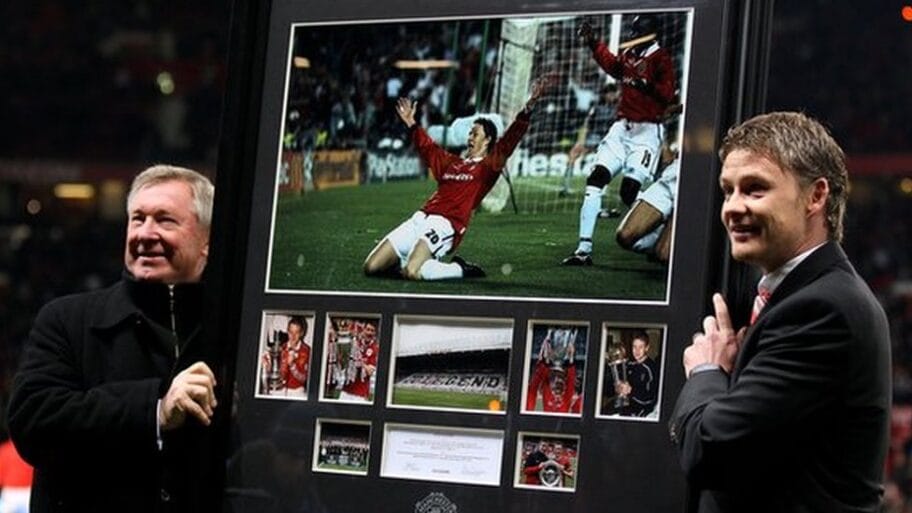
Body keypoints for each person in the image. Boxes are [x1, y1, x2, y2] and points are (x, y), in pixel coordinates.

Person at [669, 112, 890, 512]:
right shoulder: (794, 297)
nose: (733, 207)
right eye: (728, 190)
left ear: (816, 196)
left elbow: (712, 451)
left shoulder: (823, 309)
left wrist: (705, 373)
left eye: (754, 189)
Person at [8, 165, 219, 513]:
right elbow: (33, 422)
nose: (145, 234)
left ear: (207, 243)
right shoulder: (66, 319)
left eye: (165, 220)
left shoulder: (229, 328)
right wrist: (155, 411)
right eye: (137, 219)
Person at [363, 74, 552, 280]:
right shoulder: (452, 163)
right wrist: (412, 124)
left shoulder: (488, 167)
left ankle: (460, 269)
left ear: (488, 140)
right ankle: (412, 261)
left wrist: (529, 106)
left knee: (412, 271)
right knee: (371, 267)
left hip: (445, 224)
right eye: (470, 134)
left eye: (475, 134)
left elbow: (510, 140)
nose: (470, 138)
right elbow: (429, 149)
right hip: (420, 218)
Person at [562, 15, 677, 266]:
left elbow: (668, 95)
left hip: (647, 132)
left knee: (629, 193)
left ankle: (662, 232)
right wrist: (594, 43)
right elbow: (613, 66)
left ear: (651, 34)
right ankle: (583, 249)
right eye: (632, 31)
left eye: (637, 31)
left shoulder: (661, 59)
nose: (632, 35)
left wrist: (646, 85)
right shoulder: (630, 55)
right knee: (596, 179)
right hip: (621, 129)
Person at [615, 145, 679, 263]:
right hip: (673, 176)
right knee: (624, 237)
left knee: (664, 255)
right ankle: (663, 228)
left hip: (696, 185)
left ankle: (673, 233)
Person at [525, 329, 582, 413]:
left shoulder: (563, 398)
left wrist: (546, 362)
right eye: (555, 376)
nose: (557, 380)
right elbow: (570, 382)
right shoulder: (551, 394)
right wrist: (570, 361)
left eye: (560, 377)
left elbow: (570, 381)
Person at [261, 316, 311, 398]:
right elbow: (275, 373)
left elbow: (303, 379)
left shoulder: (306, 351)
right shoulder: (281, 348)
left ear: (301, 333)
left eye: (296, 332)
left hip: (296, 391)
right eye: (290, 332)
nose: (293, 336)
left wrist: (292, 365)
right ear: (287, 331)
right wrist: (267, 366)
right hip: (278, 390)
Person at [613, 331, 659, 417]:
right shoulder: (629, 365)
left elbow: (650, 399)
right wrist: (619, 388)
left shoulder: (651, 369)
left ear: (647, 348)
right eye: (634, 347)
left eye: (640, 347)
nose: (637, 351)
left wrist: (631, 391)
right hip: (625, 411)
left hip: (642, 415)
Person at [338, 320, 379, 402]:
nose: (369, 333)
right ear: (363, 330)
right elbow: (343, 364)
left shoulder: (375, 349)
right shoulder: (355, 343)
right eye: (368, 329)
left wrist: (357, 359)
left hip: (360, 393)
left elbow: (369, 372)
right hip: (346, 390)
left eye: (372, 331)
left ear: (375, 333)